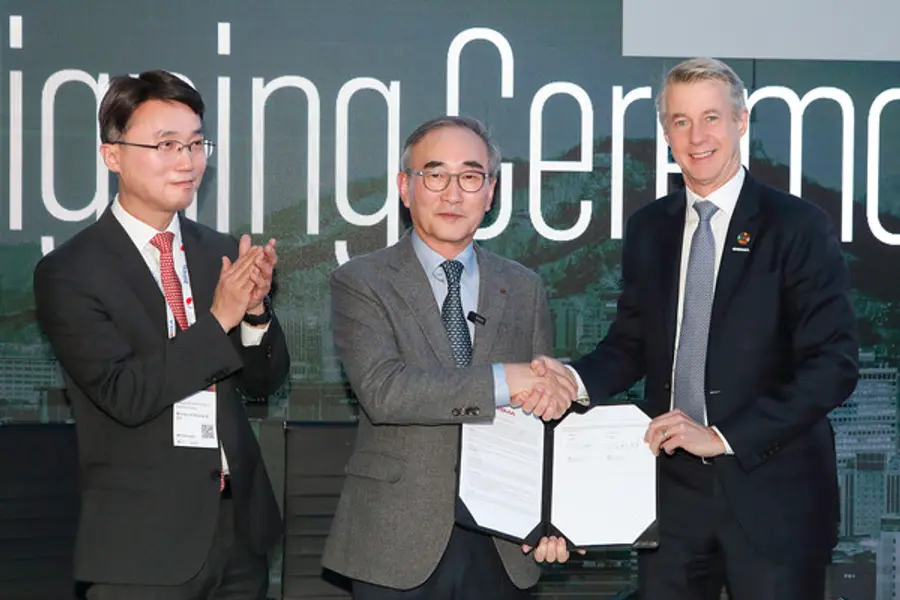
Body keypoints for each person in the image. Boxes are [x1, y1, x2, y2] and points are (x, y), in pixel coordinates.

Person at [533, 58, 859, 599]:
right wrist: (573, 381)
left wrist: (722, 438)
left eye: (711, 117)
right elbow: (630, 344)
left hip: (774, 495)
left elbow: (833, 365)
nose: (697, 136)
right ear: (665, 133)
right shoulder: (649, 228)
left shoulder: (798, 225)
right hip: (673, 496)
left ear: (741, 121)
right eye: (680, 121)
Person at [33, 70, 290, 600]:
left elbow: (263, 382)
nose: (187, 161)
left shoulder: (221, 251)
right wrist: (219, 319)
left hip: (238, 531)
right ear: (112, 155)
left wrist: (255, 312)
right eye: (166, 144)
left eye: (196, 144)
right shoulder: (70, 271)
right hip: (142, 545)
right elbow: (125, 395)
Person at [322, 116, 574, 600]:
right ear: (405, 187)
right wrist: (505, 379)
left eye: (471, 176)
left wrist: (555, 517)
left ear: (491, 191)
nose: (453, 193)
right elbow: (384, 391)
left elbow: (545, 418)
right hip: (395, 539)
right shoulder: (361, 281)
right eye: (435, 175)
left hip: (504, 543)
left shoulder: (524, 287)